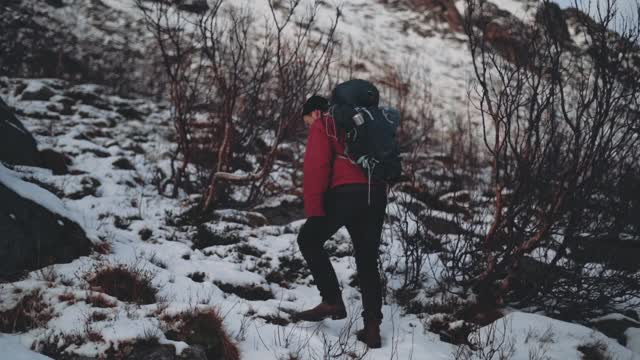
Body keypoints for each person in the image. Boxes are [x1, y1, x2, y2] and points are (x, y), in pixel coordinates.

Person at [293, 95, 388, 348]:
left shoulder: (324, 122)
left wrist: (315, 209)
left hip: (346, 193)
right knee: (367, 258)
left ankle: (332, 300)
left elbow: (317, 166)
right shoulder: (366, 122)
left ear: (313, 112)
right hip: (376, 193)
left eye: (306, 121)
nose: (308, 125)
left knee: (308, 239)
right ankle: (372, 328)